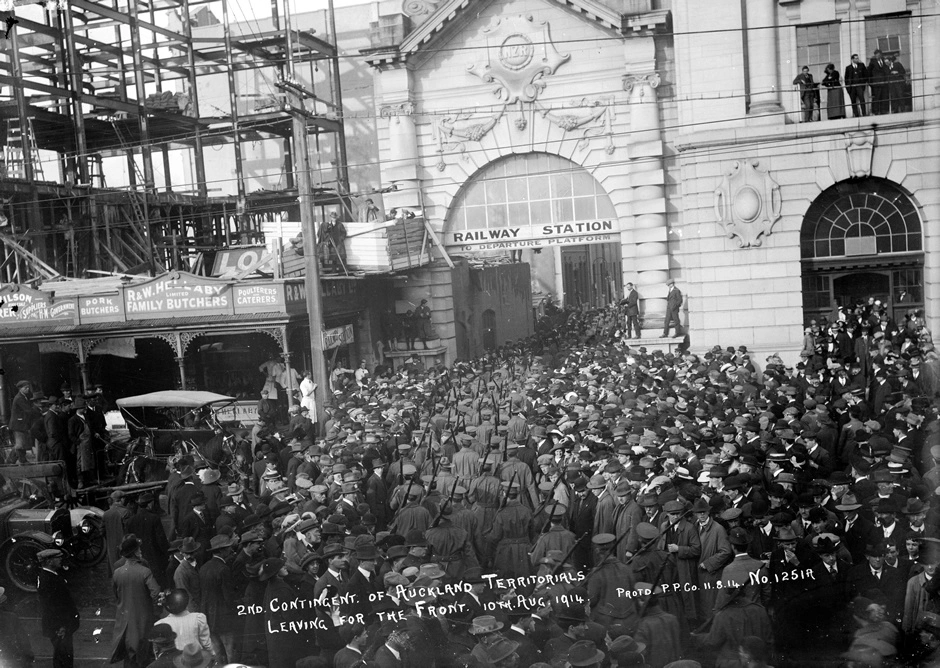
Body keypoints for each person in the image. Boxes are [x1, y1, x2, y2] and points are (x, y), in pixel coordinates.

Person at [110, 534, 162, 668]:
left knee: (129, 655)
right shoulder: (145, 571)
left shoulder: (117, 572)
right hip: (142, 618)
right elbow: (155, 592)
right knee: (143, 654)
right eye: (138, 550)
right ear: (133, 553)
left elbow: (116, 594)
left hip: (124, 619)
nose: (141, 551)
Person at [38, 548, 78, 668]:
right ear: (49, 561)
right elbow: (51, 606)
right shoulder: (49, 580)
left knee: (63, 656)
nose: (60, 559)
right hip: (60, 627)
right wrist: (60, 626)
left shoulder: (49, 576)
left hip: (61, 626)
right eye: (57, 558)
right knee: (63, 658)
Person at [8, 380, 33, 464]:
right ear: (20, 389)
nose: (28, 389)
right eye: (25, 387)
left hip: (20, 424)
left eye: (28, 387)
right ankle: (21, 461)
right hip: (18, 425)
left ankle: (10, 461)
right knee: (20, 444)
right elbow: (28, 410)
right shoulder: (19, 398)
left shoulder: (23, 396)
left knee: (21, 444)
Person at [868, 49, 889, 114]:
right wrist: (871, 82)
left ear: (881, 55)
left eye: (879, 55)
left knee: (884, 97)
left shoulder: (884, 61)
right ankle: (875, 111)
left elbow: (886, 70)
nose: (877, 56)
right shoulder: (872, 62)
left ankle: (883, 110)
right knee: (876, 97)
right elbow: (869, 72)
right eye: (876, 55)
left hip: (884, 82)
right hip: (876, 83)